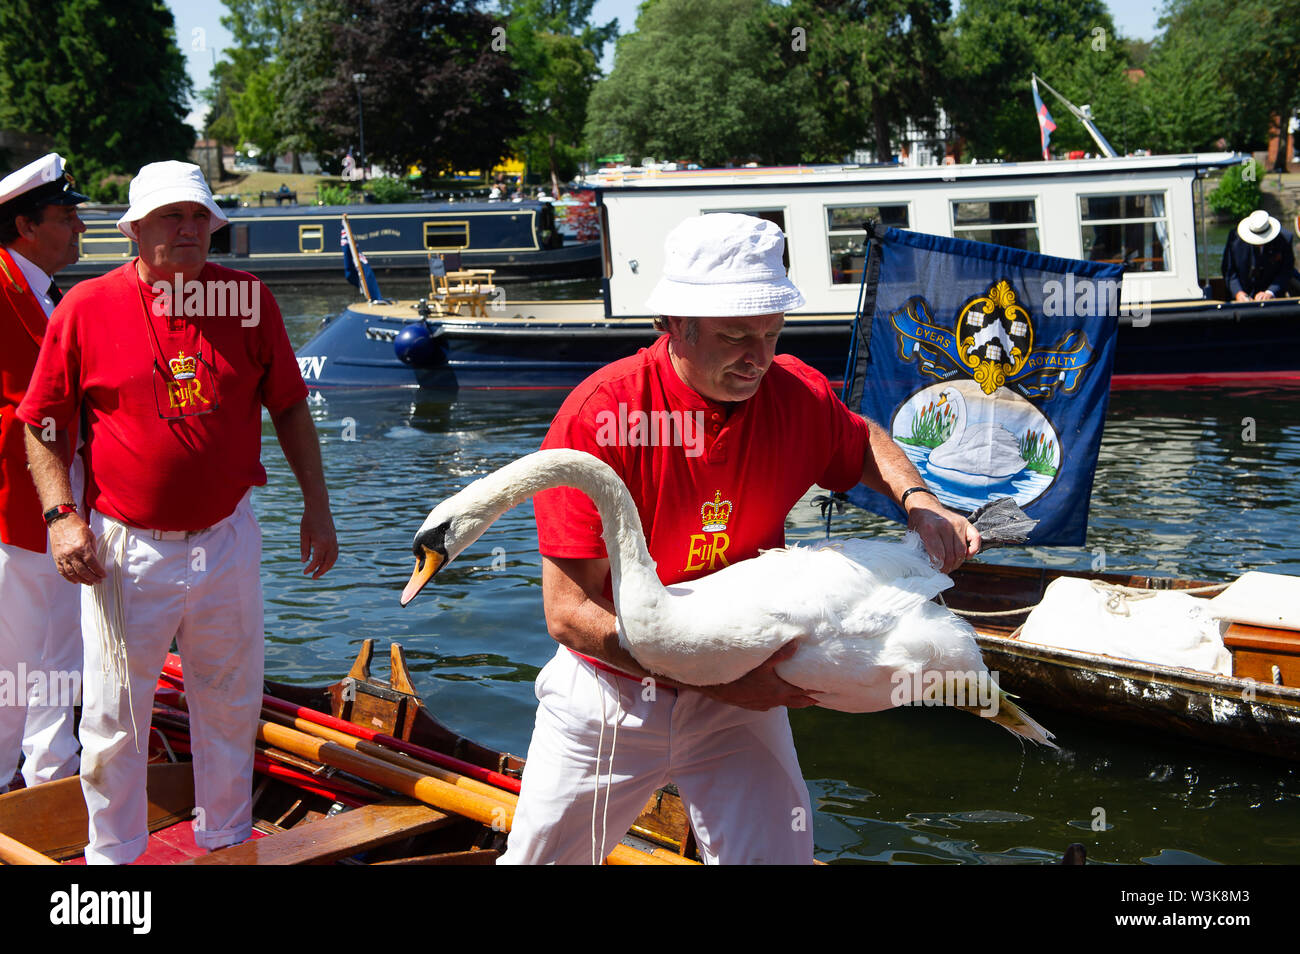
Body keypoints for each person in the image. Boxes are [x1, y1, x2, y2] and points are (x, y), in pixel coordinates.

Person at [499, 213, 979, 865]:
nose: (757, 358)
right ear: (673, 325)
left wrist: (920, 504)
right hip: (615, 687)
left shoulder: (794, 395)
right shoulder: (600, 419)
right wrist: (717, 681)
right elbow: (569, 613)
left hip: (743, 691)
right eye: (734, 337)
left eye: (771, 334)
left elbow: (858, 437)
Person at [18, 160, 338, 864]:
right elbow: (41, 423)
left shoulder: (247, 300)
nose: (189, 230)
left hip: (227, 538)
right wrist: (61, 515)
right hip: (126, 547)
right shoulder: (86, 309)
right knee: (112, 722)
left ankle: (225, 843)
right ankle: (114, 859)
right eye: (171, 217)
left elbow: (287, 403)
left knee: (229, 705)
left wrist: (318, 507)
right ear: (135, 230)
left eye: (199, 218)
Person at [0, 153, 87, 793]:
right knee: (31, 654)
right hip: (20, 504)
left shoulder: (47, 293)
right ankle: (33, 785)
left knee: (46, 650)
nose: (81, 224)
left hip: (52, 502)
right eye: (67, 213)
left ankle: (36, 779)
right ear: (27, 226)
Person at [1222, 209, 1295, 301]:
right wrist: (1238, 293)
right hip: (1241, 298)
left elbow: (1286, 270)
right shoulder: (1234, 240)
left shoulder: (1285, 239)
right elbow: (1229, 271)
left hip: (1274, 300)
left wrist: (1270, 292)